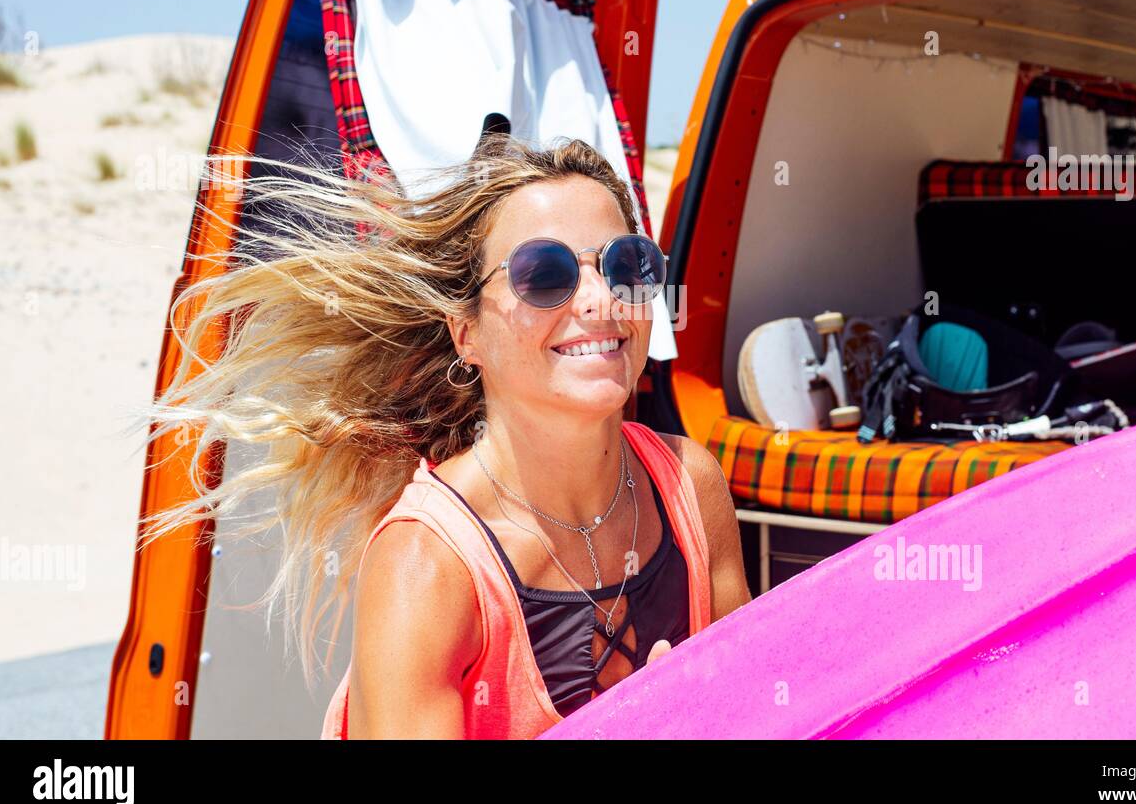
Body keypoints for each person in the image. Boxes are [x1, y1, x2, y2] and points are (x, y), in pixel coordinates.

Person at [135, 133, 750, 739]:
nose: (598, 298)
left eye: (625, 264)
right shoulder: (427, 566)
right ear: (467, 335)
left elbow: (766, 710)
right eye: (544, 273)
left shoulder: (690, 486)